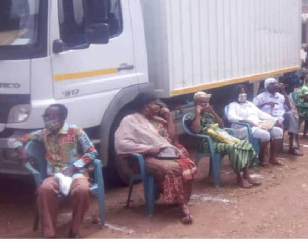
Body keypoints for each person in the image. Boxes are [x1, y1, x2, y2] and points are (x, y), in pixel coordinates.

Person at [11, 104, 97, 238]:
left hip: (77, 173)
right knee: (44, 190)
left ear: (63, 117)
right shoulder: (43, 133)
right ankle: (49, 233)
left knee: (82, 190)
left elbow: (92, 152)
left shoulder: (75, 131)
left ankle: (74, 230)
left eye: (53, 116)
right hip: (54, 174)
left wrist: (74, 167)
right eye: (46, 116)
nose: (49, 119)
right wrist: (21, 151)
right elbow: (18, 139)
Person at [114, 92, 197, 224]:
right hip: (142, 158)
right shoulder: (130, 120)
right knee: (172, 168)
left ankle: (181, 199)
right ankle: (183, 207)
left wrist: (168, 116)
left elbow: (172, 137)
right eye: (154, 105)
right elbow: (122, 143)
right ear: (145, 106)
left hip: (162, 154)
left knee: (188, 164)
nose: (157, 108)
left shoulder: (157, 121)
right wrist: (148, 149)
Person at [184, 91, 259, 188]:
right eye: (200, 102)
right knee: (234, 148)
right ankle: (239, 178)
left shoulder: (209, 115)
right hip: (207, 142)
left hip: (221, 139)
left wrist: (213, 112)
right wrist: (197, 114)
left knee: (244, 144)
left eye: (205, 102)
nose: (203, 104)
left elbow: (221, 126)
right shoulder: (192, 116)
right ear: (196, 103)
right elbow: (196, 130)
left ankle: (246, 175)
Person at [226, 85, 283, 166]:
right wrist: (246, 120)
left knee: (278, 132)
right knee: (265, 135)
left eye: (244, 92)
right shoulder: (233, 105)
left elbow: (261, 114)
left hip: (258, 125)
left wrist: (275, 120)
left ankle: (272, 158)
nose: (243, 94)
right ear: (236, 94)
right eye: (240, 92)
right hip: (243, 128)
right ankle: (261, 158)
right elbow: (231, 117)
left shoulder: (250, 104)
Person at [254, 78, 303, 156]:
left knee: (292, 114)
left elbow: (289, 107)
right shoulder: (261, 97)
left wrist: (283, 91)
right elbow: (253, 108)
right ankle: (276, 148)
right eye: (272, 85)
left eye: (276, 84)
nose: (275, 86)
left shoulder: (280, 96)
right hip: (269, 118)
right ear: (267, 87)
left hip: (282, 118)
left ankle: (292, 146)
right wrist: (266, 104)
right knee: (279, 122)